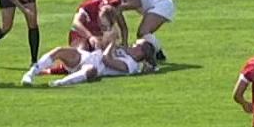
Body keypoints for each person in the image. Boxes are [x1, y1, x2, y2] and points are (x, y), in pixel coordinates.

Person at [21, 39, 157, 87]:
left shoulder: (131, 65)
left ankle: (61, 83)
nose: (133, 45)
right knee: (59, 51)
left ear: (141, 52)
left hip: (95, 66)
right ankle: (30, 74)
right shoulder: (126, 52)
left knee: (91, 70)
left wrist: (111, 44)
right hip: (87, 56)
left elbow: (106, 60)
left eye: (136, 45)